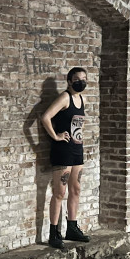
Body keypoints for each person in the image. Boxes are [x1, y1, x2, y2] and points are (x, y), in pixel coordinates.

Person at [40, 67, 92, 249]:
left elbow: (78, 124)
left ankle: (72, 227)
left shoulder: (82, 99)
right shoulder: (64, 98)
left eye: (84, 78)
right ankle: (54, 233)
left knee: (76, 189)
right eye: (78, 79)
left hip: (77, 149)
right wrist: (56, 136)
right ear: (69, 81)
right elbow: (45, 117)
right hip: (62, 150)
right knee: (60, 192)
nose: (82, 81)